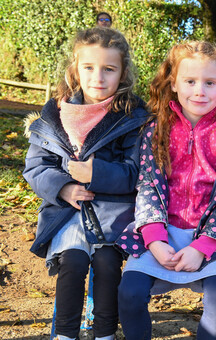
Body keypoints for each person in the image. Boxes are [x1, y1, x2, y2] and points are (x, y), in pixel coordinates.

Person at [115, 41, 216, 340]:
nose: (199, 90)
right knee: (129, 294)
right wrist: (153, 239)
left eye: (209, 82)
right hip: (159, 231)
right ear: (174, 84)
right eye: (190, 81)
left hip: (213, 236)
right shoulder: (156, 130)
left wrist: (201, 247)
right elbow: (149, 186)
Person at [22, 27, 149, 340]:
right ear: (75, 70)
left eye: (109, 69)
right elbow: (37, 167)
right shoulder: (55, 117)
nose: (98, 78)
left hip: (114, 215)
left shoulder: (131, 118)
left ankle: (104, 333)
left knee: (106, 263)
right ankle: (65, 334)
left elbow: (135, 173)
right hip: (67, 215)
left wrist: (96, 172)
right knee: (74, 262)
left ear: (123, 73)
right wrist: (63, 188)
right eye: (89, 67)